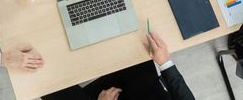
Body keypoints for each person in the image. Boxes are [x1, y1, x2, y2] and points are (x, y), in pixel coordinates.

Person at [41, 32, 195, 100]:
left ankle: (37, 65)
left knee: (51, 87)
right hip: (150, 93)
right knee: (136, 41)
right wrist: (165, 62)